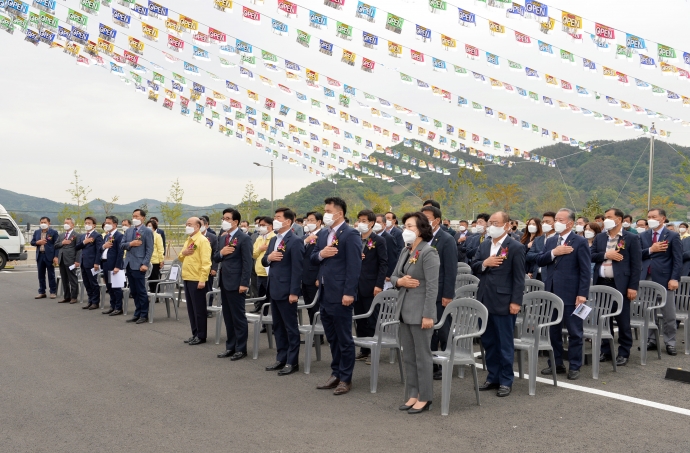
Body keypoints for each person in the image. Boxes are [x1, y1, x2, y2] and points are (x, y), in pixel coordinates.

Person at [472, 211, 526, 397]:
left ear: (506, 225)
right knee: (488, 342)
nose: (491, 226)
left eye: (495, 223)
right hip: (484, 299)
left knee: (504, 343)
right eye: (490, 223)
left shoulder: (516, 247)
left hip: (504, 301)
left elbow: (519, 278)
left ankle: (505, 380)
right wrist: (485, 263)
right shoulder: (485, 244)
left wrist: (516, 301)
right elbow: (475, 265)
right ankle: (492, 377)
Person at [312, 197, 362, 395]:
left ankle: (345, 378)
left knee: (344, 338)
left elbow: (354, 266)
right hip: (325, 292)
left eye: (328, 210)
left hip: (341, 294)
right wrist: (321, 254)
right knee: (332, 337)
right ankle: (336, 373)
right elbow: (313, 257)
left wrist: (349, 292)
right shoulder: (324, 233)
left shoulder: (351, 234)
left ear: (339, 213)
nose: (325, 214)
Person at [390, 212, 439, 414]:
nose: (406, 230)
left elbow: (432, 287)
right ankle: (412, 393)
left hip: (420, 312)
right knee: (408, 356)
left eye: (410, 226)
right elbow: (393, 276)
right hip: (403, 310)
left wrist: (428, 315)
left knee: (422, 357)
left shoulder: (429, 252)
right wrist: (399, 282)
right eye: (405, 226)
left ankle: (425, 397)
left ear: (420, 229)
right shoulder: (405, 251)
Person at [537, 208, 591, 380]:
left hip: (571, 293)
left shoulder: (580, 241)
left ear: (570, 223)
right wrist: (554, 253)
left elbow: (585, 270)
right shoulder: (552, 241)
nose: (556, 222)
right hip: (552, 292)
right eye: (555, 219)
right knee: (553, 331)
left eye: (560, 219)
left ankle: (575, 365)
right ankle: (556, 363)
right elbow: (540, 259)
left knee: (575, 332)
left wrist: (582, 294)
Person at [591, 208, 641, 366]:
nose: (605, 220)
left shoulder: (630, 238)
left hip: (620, 284)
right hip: (601, 283)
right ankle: (606, 350)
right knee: (603, 319)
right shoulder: (600, 237)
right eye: (605, 217)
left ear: (619, 219)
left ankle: (624, 351)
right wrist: (607, 255)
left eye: (609, 217)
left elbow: (636, 265)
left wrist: (633, 287)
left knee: (622, 319)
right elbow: (590, 255)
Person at [262, 208, 304, 375]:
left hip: (287, 291)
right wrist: (269, 258)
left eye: (278, 218)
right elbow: (265, 260)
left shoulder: (295, 241)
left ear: (288, 221)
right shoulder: (273, 240)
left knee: (290, 327)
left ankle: (292, 361)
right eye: (275, 217)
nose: (275, 220)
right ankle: (281, 358)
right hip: (274, 289)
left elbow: (297, 269)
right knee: (278, 326)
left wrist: (294, 292)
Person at [420, 205, 458, 380]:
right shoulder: (421, 238)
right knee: (430, 331)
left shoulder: (446, 239)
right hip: (424, 291)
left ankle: (447, 363)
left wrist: (448, 295)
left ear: (436, 220)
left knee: (443, 330)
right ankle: (432, 363)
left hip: (441, 292)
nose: (423, 220)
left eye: (426, 217)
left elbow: (450, 269)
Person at [639, 208, 682, 356]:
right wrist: (651, 249)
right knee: (648, 311)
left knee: (668, 313)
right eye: (649, 216)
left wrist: (674, 278)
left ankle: (670, 342)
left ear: (663, 219)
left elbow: (677, 260)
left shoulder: (672, 236)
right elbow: (638, 254)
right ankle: (652, 339)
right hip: (646, 277)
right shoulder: (643, 235)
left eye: (654, 217)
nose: (650, 219)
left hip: (665, 279)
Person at [214, 208, 253, 359]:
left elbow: (247, 262)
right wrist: (222, 253)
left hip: (237, 283)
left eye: (228, 218)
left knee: (238, 316)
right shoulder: (223, 238)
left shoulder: (244, 238)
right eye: (223, 218)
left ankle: (241, 348)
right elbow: (217, 257)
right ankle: (230, 346)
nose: (224, 221)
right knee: (228, 316)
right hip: (224, 281)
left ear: (235, 222)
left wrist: (244, 283)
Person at [353, 209, 388, 361]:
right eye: (360, 220)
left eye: (364, 221)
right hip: (356, 285)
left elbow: (383, 264)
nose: (361, 223)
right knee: (359, 319)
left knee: (372, 319)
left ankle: (374, 349)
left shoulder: (379, 241)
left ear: (372, 223)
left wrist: (379, 284)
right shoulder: (355, 238)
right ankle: (364, 349)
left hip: (371, 284)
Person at [178, 217, 212, 345]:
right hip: (187, 277)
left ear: (198, 226)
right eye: (186, 224)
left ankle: (201, 335)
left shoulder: (202, 241)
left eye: (190, 224)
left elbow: (206, 262)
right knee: (191, 308)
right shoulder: (189, 240)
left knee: (199, 309)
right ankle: (195, 333)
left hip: (197, 279)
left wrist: (202, 279)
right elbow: (181, 257)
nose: (187, 226)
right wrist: (184, 252)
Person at [120, 209, 154, 324]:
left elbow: (149, 249)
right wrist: (131, 244)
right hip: (129, 264)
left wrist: (145, 264)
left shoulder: (147, 231)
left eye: (137, 216)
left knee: (141, 291)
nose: (134, 218)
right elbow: (122, 245)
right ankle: (137, 312)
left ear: (143, 218)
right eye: (133, 216)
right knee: (133, 291)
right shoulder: (129, 231)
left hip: (139, 265)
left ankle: (144, 314)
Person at [76, 216, 104, 310]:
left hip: (92, 263)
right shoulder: (83, 236)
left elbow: (99, 250)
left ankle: (95, 302)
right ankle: (90, 300)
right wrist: (85, 242)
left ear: (94, 225)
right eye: (86, 223)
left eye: (89, 223)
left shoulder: (97, 236)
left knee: (93, 283)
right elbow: (77, 247)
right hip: (83, 262)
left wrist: (97, 263)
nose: (87, 225)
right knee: (86, 282)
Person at [100, 216, 125, 316]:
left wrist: (117, 266)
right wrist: (103, 246)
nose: (106, 225)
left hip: (114, 265)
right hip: (106, 263)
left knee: (116, 287)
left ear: (115, 224)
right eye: (105, 223)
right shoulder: (107, 236)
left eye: (108, 223)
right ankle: (112, 306)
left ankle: (118, 307)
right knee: (109, 286)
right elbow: (101, 249)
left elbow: (120, 252)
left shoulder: (119, 236)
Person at [302, 211, 323, 324]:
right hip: (304, 276)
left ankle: (318, 335)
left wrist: (319, 276)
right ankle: (313, 331)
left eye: (311, 220)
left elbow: (323, 259)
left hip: (314, 276)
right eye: (307, 220)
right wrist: (305, 241)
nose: (308, 223)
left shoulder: (322, 235)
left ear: (319, 222)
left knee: (316, 307)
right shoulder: (305, 236)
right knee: (309, 306)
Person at [54, 218, 81, 304]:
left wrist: (77, 260)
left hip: (71, 260)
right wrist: (63, 242)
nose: (65, 224)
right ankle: (67, 296)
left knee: (72, 278)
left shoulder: (76, 235)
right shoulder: (61, 235)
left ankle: (74, 296)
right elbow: (56, 245)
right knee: (64, 279)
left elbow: (79, 249)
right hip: (62, 259)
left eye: (68, 223)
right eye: (65, 223)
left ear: (72, 225)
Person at [251, 216, 275, 312]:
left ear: (270, 226)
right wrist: (260, 249)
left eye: (263, 225)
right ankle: (265, 324)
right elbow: (253, 254)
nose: (261, 227)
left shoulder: (274, 237)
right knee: (261, 298)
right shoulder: (259, 238)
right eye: (260, 225)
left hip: (268, 273)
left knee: (269, 299)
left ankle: (270, 323)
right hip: (259, 272)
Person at [31, 216, 58, 299]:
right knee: (41, 275)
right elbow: (32, 242)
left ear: (49, 223)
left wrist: (56, 256)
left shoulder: (53, 232)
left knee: (51, 274)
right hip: (40, 255)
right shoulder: (37, 232)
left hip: (49, 256)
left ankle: (53, 292)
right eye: (41, 222)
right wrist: (37, 242)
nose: (43, 224)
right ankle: (42, 292)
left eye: (44, 222)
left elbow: (57, 245)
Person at [526, 212, 557, 282]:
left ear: (555, 223)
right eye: (543, 222)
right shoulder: (538, 239)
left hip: (551, 277)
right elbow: (528, 256)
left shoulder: (559, 239)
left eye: (547, 222)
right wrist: (544, 255)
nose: (544, 224)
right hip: (536, 276)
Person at [200, 215, 218, 316]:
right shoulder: (193, 237)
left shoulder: (212, 237)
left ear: (206, 225)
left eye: (201, 224)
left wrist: (214, 268)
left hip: (209, 267)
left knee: (208, 289)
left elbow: (215, 254)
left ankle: (209, 308)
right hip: (197, 269)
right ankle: (200, 309)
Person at [377, 213, 401, 287]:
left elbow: (392, 256)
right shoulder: (372, 236)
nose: (375, 224)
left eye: (378, 222)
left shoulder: (390, 237)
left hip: (385, 274)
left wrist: (389, 273)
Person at [145, 219, 165, 293]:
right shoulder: (144, 235)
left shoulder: (157, 236)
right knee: (149, 279)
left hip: (155, 261)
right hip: (146, 260)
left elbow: (160, 249)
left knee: (155, 278)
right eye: (147, 226)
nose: (148, 227)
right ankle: (151, 293)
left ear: (154, 227)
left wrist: (161, 260)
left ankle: (156, 294)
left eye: (150, 226)